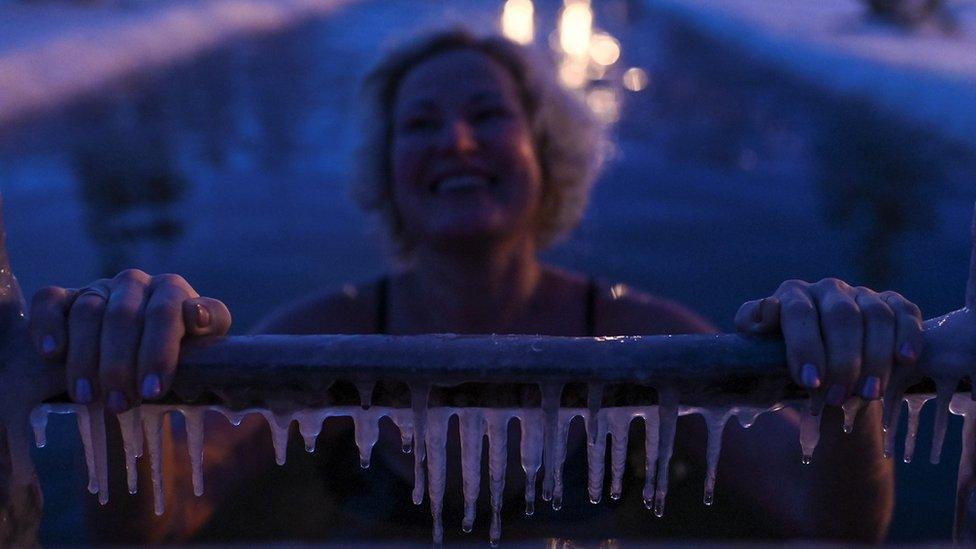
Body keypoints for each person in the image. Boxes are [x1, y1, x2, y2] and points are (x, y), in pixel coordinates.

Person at [28, 29, 920, 543]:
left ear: (548, 155)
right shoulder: (320, 336)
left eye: (488, 115)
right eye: (421, 124)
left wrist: (850, 386)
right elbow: (157, 522)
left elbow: (832, 526)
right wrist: (127, 390)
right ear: (387, 171)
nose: (456, 140)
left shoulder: (642, 333)